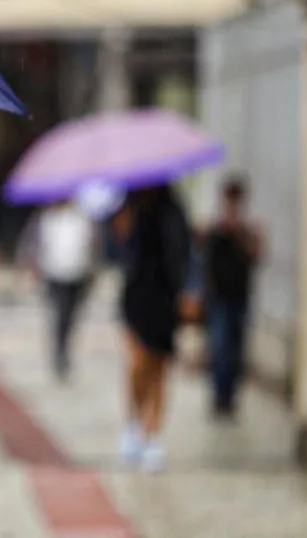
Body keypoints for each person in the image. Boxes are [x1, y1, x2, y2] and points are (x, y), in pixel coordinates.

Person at [113, 184, 192, 473]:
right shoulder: (127, 204)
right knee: (137, 362)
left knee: (159, 365)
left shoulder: (173, 209)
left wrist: (186, 292)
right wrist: (124, 226)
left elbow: (183, 253)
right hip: (136, 295)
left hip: (164, 296)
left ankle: (153, 433)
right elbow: (119, 252)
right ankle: (133, 422)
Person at [201, 176, 263, 418]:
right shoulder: (215, 227)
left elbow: (256, 256)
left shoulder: (249, 227)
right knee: (218, 346)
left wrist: (238, 233)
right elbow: (204, 258)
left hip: (240, 296)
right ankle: (218, 395)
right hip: (219, 298)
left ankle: (230, 396)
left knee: (235, 349)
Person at [21, 199, 98, 381]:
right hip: (54, 274)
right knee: (60, 314)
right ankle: (60, 354)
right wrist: (33, 264)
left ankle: (64, 350)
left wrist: (93, 265)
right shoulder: (46, 217)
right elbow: (32, 243)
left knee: (71, 315)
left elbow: (93, 244)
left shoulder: (83, 216)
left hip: (78, 273)